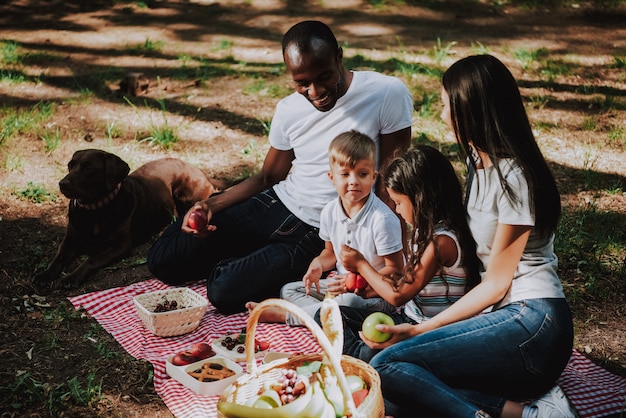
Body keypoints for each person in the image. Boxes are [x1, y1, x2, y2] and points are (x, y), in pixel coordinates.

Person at [146, 20, 413, 314]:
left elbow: (390, 181)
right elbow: (269, 176)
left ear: (339, 56)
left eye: (325, 77)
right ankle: (248, 257)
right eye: (302, 83)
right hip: (275, 203)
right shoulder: (289, 109)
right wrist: (211, 206)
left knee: (222, 290)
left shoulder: (386, 93)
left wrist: (391, 262)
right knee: (164, 258)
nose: (316, 91)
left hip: (317, 231)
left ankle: (252, 263)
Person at [361, 55, 576, 418]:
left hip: (534, 322)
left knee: (387, 366)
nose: (443, 114)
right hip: (505, 319)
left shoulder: (516, 179)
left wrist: (422, 330)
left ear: (469, 110)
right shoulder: (478, 164)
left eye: (446, 104)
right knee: (397, 391)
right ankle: (529, 414)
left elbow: (496, 283)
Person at [322, 145, 481, 362]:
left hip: (430, 331)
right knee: (330, 314)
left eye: (398, 202)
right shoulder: (424, 232)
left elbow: (398, 296)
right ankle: (363, 357)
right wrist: (369, 288)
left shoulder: (441, 242)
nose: (396, 210)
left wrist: (361, 264)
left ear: (420, 199)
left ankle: (364, 361)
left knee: (372, 353)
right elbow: (406, 282)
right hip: (409, 318)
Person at [245, 130, 405, 325]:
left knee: (348, 301)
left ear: (374, 177)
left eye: (362, 174)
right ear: (331, 178)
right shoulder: (330, 211)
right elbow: (330, 252)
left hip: (375, 294)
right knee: (289, 290)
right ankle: (323, 316)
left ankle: (287, 316)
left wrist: (358, 283)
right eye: (345, 174)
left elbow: (396, 272)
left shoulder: (382, 219)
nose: (353, 181)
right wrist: (318, 265)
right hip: (341, 286)